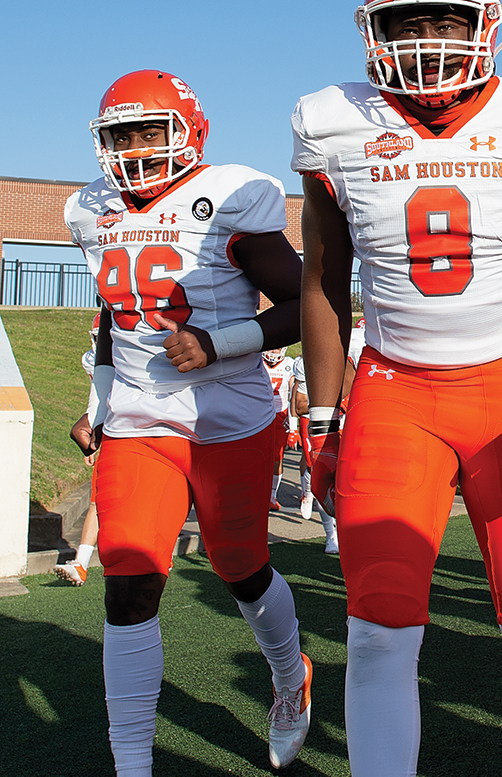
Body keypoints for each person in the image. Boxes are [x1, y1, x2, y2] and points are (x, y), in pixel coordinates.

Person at [291, 0, 502, 777]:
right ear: (372, 32)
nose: (426, 37)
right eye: (405, 20)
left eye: (446, 18)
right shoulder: (334, 124)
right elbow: (321, 286)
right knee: (377, 631)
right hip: (395, 395)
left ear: (487, 28)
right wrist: (323, 418)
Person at [64, 70, 312, 774]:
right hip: (141, 419)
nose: (136, 150)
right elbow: (116, 320)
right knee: (131, 577)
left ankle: (291, 680)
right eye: (121, 135)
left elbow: (304, 304)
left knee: (239, 566)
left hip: (229, 416)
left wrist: (219, 342)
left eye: (151, 132)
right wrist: (100, 406)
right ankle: (132, 763)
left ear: (189, 133)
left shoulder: (229, 195)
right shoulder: (90, 210)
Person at [56, 313, 104, 586]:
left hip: (142, 427)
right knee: (97, 503)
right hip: (111, 430)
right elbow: (96, 398)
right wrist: (92, 440)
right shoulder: (91, 359)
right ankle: (81, 563)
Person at [290, 355, 339, 553]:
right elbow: (299, 405)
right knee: (322, 475)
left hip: (351, 421)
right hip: (323, 422)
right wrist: (327, 398)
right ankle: (331, 535)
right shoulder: (306, 362)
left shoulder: (362, 349)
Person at [263, 346, 296, 511]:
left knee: (277, 457)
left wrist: (293, 426)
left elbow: (294, 395)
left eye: (277, 349)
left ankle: (271, 496)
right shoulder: (257, 362)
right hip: (258, 414)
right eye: (272, 348)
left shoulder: (289, 364)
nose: (274, 352)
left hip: (280, 414)